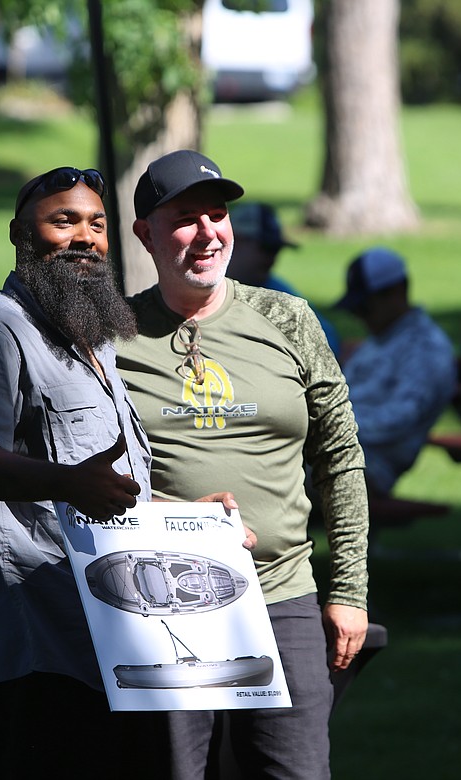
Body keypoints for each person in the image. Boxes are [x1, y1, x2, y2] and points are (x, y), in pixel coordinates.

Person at [0, 166, 240, 777]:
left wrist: (187, 522)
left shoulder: (97, 339)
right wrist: (66, 483)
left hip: (119, 642)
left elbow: (105, 488)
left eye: (97, 224)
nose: (86, 238)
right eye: (63, 220)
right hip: (39, 644)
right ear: (20, 234)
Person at [116, 149, 369, 779]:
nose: (208, 232)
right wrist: (171, 515)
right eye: (185, 218)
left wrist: (348, 590)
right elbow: (79, 472)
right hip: (162, 600)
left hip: (284, 593)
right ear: (145, 233)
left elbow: (340, 458)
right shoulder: (111, 336)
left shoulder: (288, 318)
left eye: (218, 215)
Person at [334, 246, 456, 500]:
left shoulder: (426, 349)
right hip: (332, 450)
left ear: (397, 292)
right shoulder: (382, 337)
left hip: (367, 466)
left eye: (364, 307)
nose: (360, 317)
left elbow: (401, 420)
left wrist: (327, 427)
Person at [227, 200, 342, 356]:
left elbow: (328, 340)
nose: (272, 259)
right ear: (236, 240)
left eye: (276, 250)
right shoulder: (201, 287)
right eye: (266, 248)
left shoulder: (276, 289)